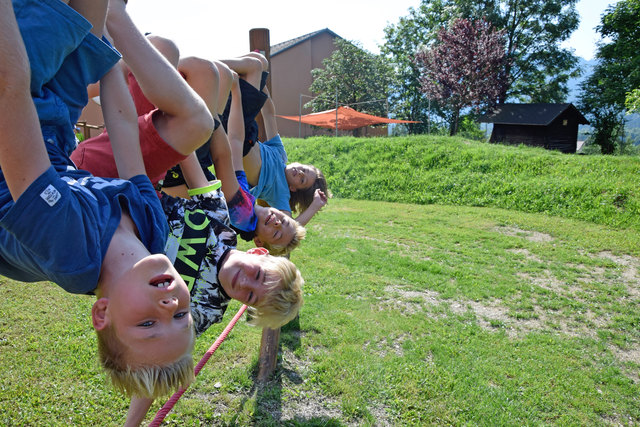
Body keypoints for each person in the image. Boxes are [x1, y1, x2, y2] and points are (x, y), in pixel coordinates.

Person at [1, 0, 303, 401]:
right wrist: (104, 52)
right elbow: (125, 127)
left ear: (102, 313)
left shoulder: (72, 249)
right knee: (90, 11)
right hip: (53, 130)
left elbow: (10, 93)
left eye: (147, 323)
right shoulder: (152, 230)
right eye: (180, 315)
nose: (169, 302)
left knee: (41, 22)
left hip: (17, 118)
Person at [221, 53, 330, 222]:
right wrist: (261, 85)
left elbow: (291, 226)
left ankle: (213, 68)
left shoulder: (281, 195)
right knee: (260, 62)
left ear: (294, 188)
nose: (299, 172)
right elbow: (269, 114)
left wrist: (315, 206)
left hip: (239, 143)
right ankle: (216, 71)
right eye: (304, 169)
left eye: (302, 179)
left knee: (255, 67)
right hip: (243, 126)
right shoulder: (280, 154)